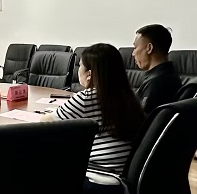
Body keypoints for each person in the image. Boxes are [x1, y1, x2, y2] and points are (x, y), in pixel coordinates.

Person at [41, 43, 145, 174]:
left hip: (99, 173)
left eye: (80, 65)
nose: (78, 69)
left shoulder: (87, 98)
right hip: (120, 169)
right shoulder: (127, 95)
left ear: (89, 74)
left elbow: (46, 122)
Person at [132, 24, 182, 114]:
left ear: (149, 48)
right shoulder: (168, 75)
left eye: (135, 48)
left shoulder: (156, 83)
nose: (133, 53)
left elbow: (141, 119)